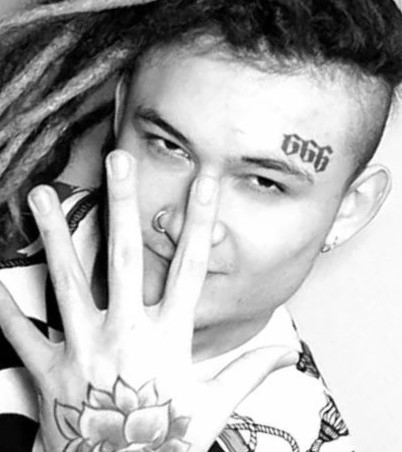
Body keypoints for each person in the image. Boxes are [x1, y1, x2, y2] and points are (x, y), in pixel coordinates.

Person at [0, 0, 401, 451]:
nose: (187, 223)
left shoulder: (301, 437)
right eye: (169, 147)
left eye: (264, 182)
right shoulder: (11, 227)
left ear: (348, 211)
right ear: (120, 112)